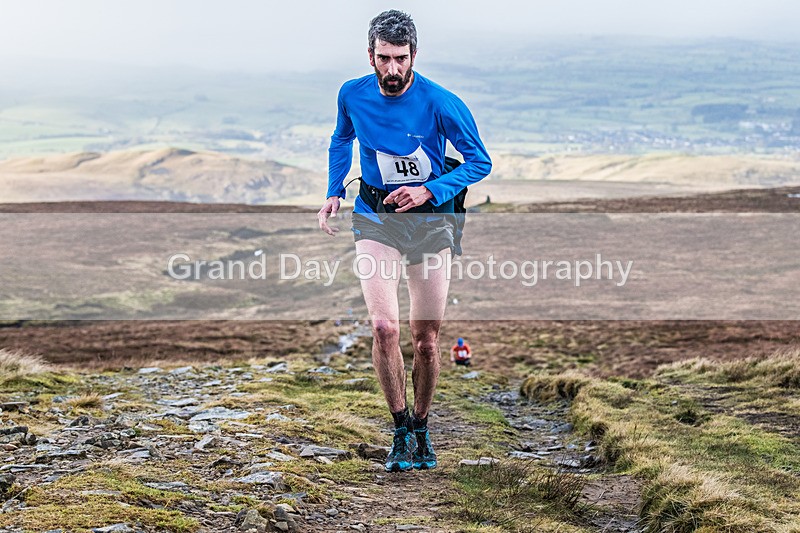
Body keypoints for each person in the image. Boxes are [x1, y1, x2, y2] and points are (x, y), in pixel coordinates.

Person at [317, 10, 491, 472]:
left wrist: (429, 190)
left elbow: (480, 161)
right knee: (384, 327)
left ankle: (421, 426)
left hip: (431, 221)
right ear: (370, 55)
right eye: (384, 58)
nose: (392, 69)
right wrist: (334, 191)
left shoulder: (440, 102)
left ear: (414, 55)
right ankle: (398, 430)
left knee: (427, 339)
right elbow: (342, 139)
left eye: (401, 58)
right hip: (376, 216)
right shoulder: (351, 94)